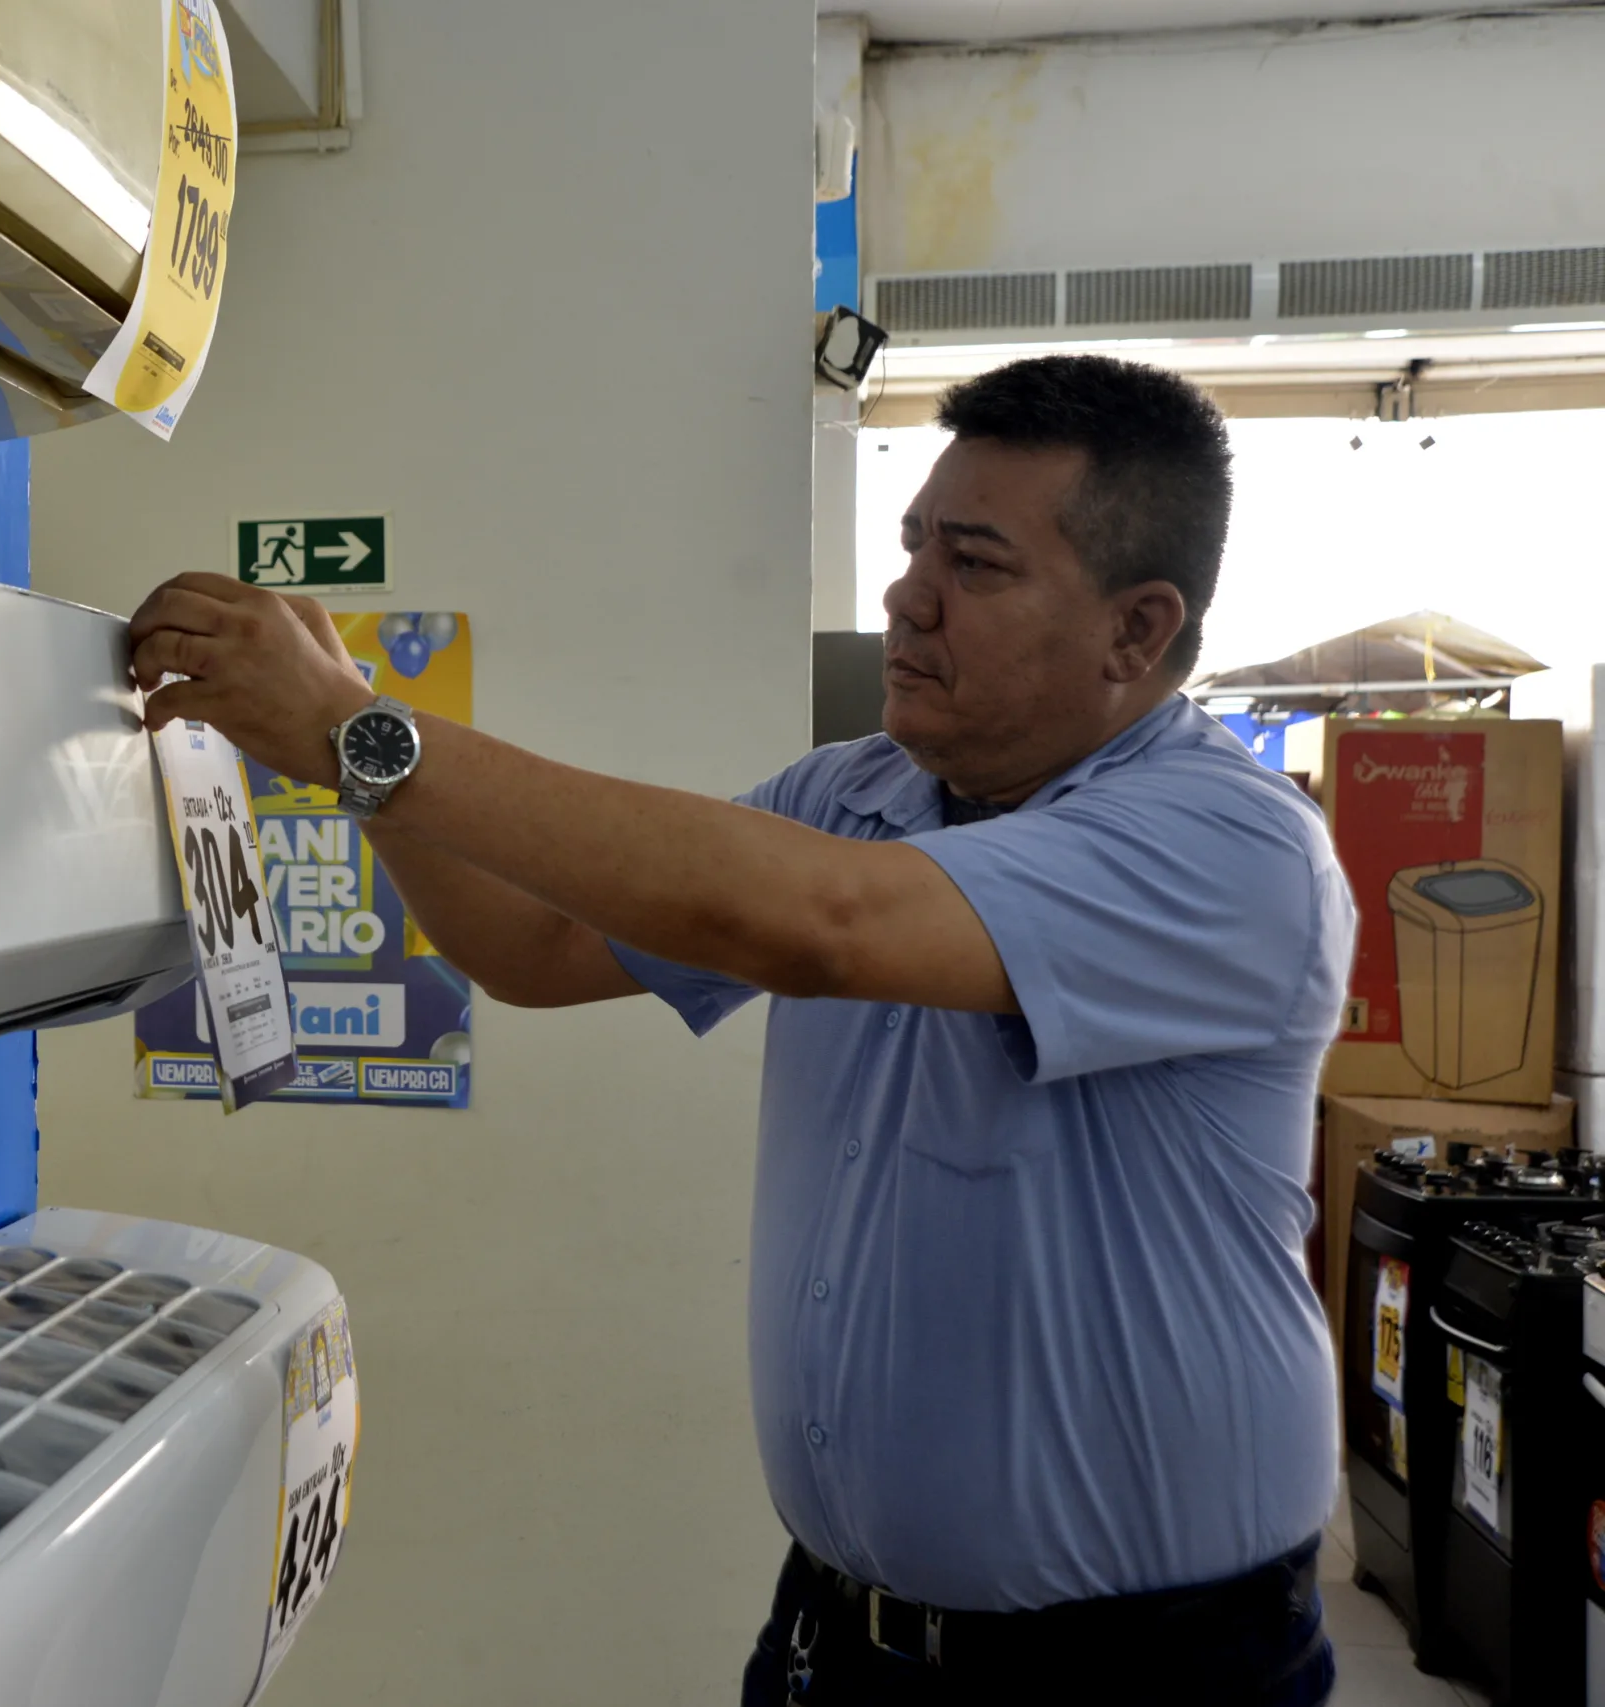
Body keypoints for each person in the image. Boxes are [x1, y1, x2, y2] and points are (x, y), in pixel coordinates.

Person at [126, 355, 1353, 1706]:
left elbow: (813, 924)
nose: (907, 593)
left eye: (978, 563)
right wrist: (344, 760)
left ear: (1138, 629)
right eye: (912, 543)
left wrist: (366, 730)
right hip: (841, 1632)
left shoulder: (1233, 849)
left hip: (1143, 1671)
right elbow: (531, 946)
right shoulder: (856, 793)